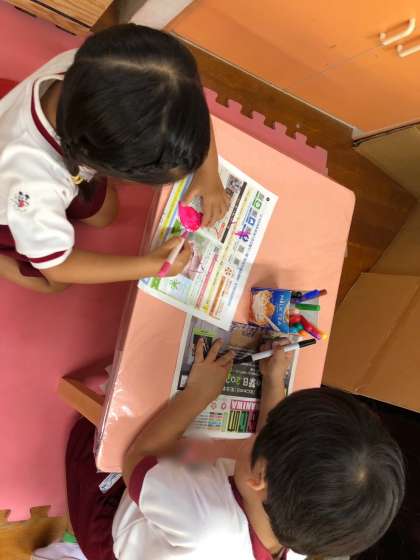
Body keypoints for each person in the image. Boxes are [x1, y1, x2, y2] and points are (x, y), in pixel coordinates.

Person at [57, 340, 405, 560]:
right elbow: (275, 451)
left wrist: (199, 394)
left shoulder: (209, 525)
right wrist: (273, 382)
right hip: (184, 504)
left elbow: (137, 458)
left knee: (95, 434)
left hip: (109, 529)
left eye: (264, 434)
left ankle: (71, 547)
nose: (263, 430)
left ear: (259, 476)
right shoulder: (300, 534)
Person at [0, 24, 229, 293]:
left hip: (57, 166)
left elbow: (183, 99)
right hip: (12, 206)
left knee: (106, 215)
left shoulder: (102, 66)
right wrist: (154, 266)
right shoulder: (33, 184)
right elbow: (57, 267)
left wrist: (209, 172)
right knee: (56, 285)